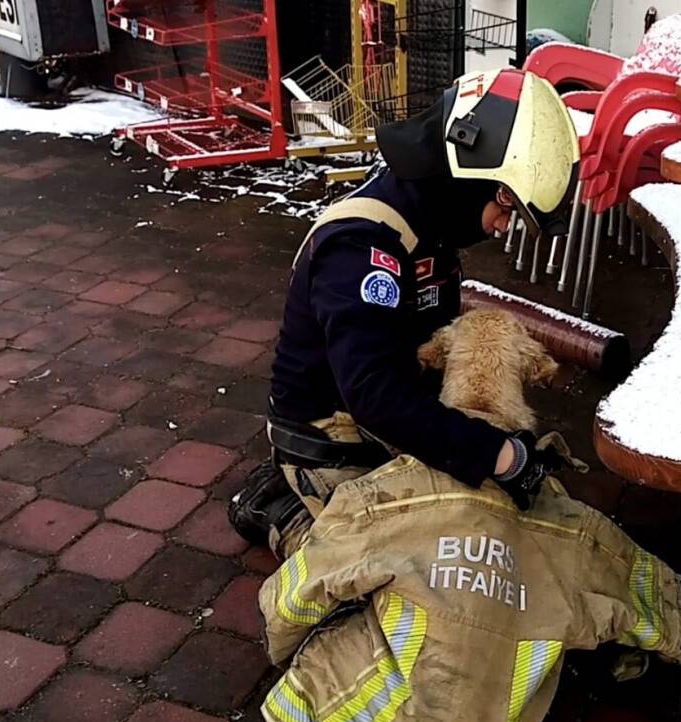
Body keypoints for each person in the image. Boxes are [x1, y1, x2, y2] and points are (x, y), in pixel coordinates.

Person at [229, 67, 580, 555]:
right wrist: (496, 454)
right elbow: (374, 394)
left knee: (499, 531)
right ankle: (286, 506)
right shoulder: (361, 248)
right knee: (418, 567)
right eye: (505, 206)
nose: (504, 226)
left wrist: (485, 441)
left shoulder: (430, 224)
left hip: (388, 419)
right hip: (336, 433)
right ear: (468, 174)